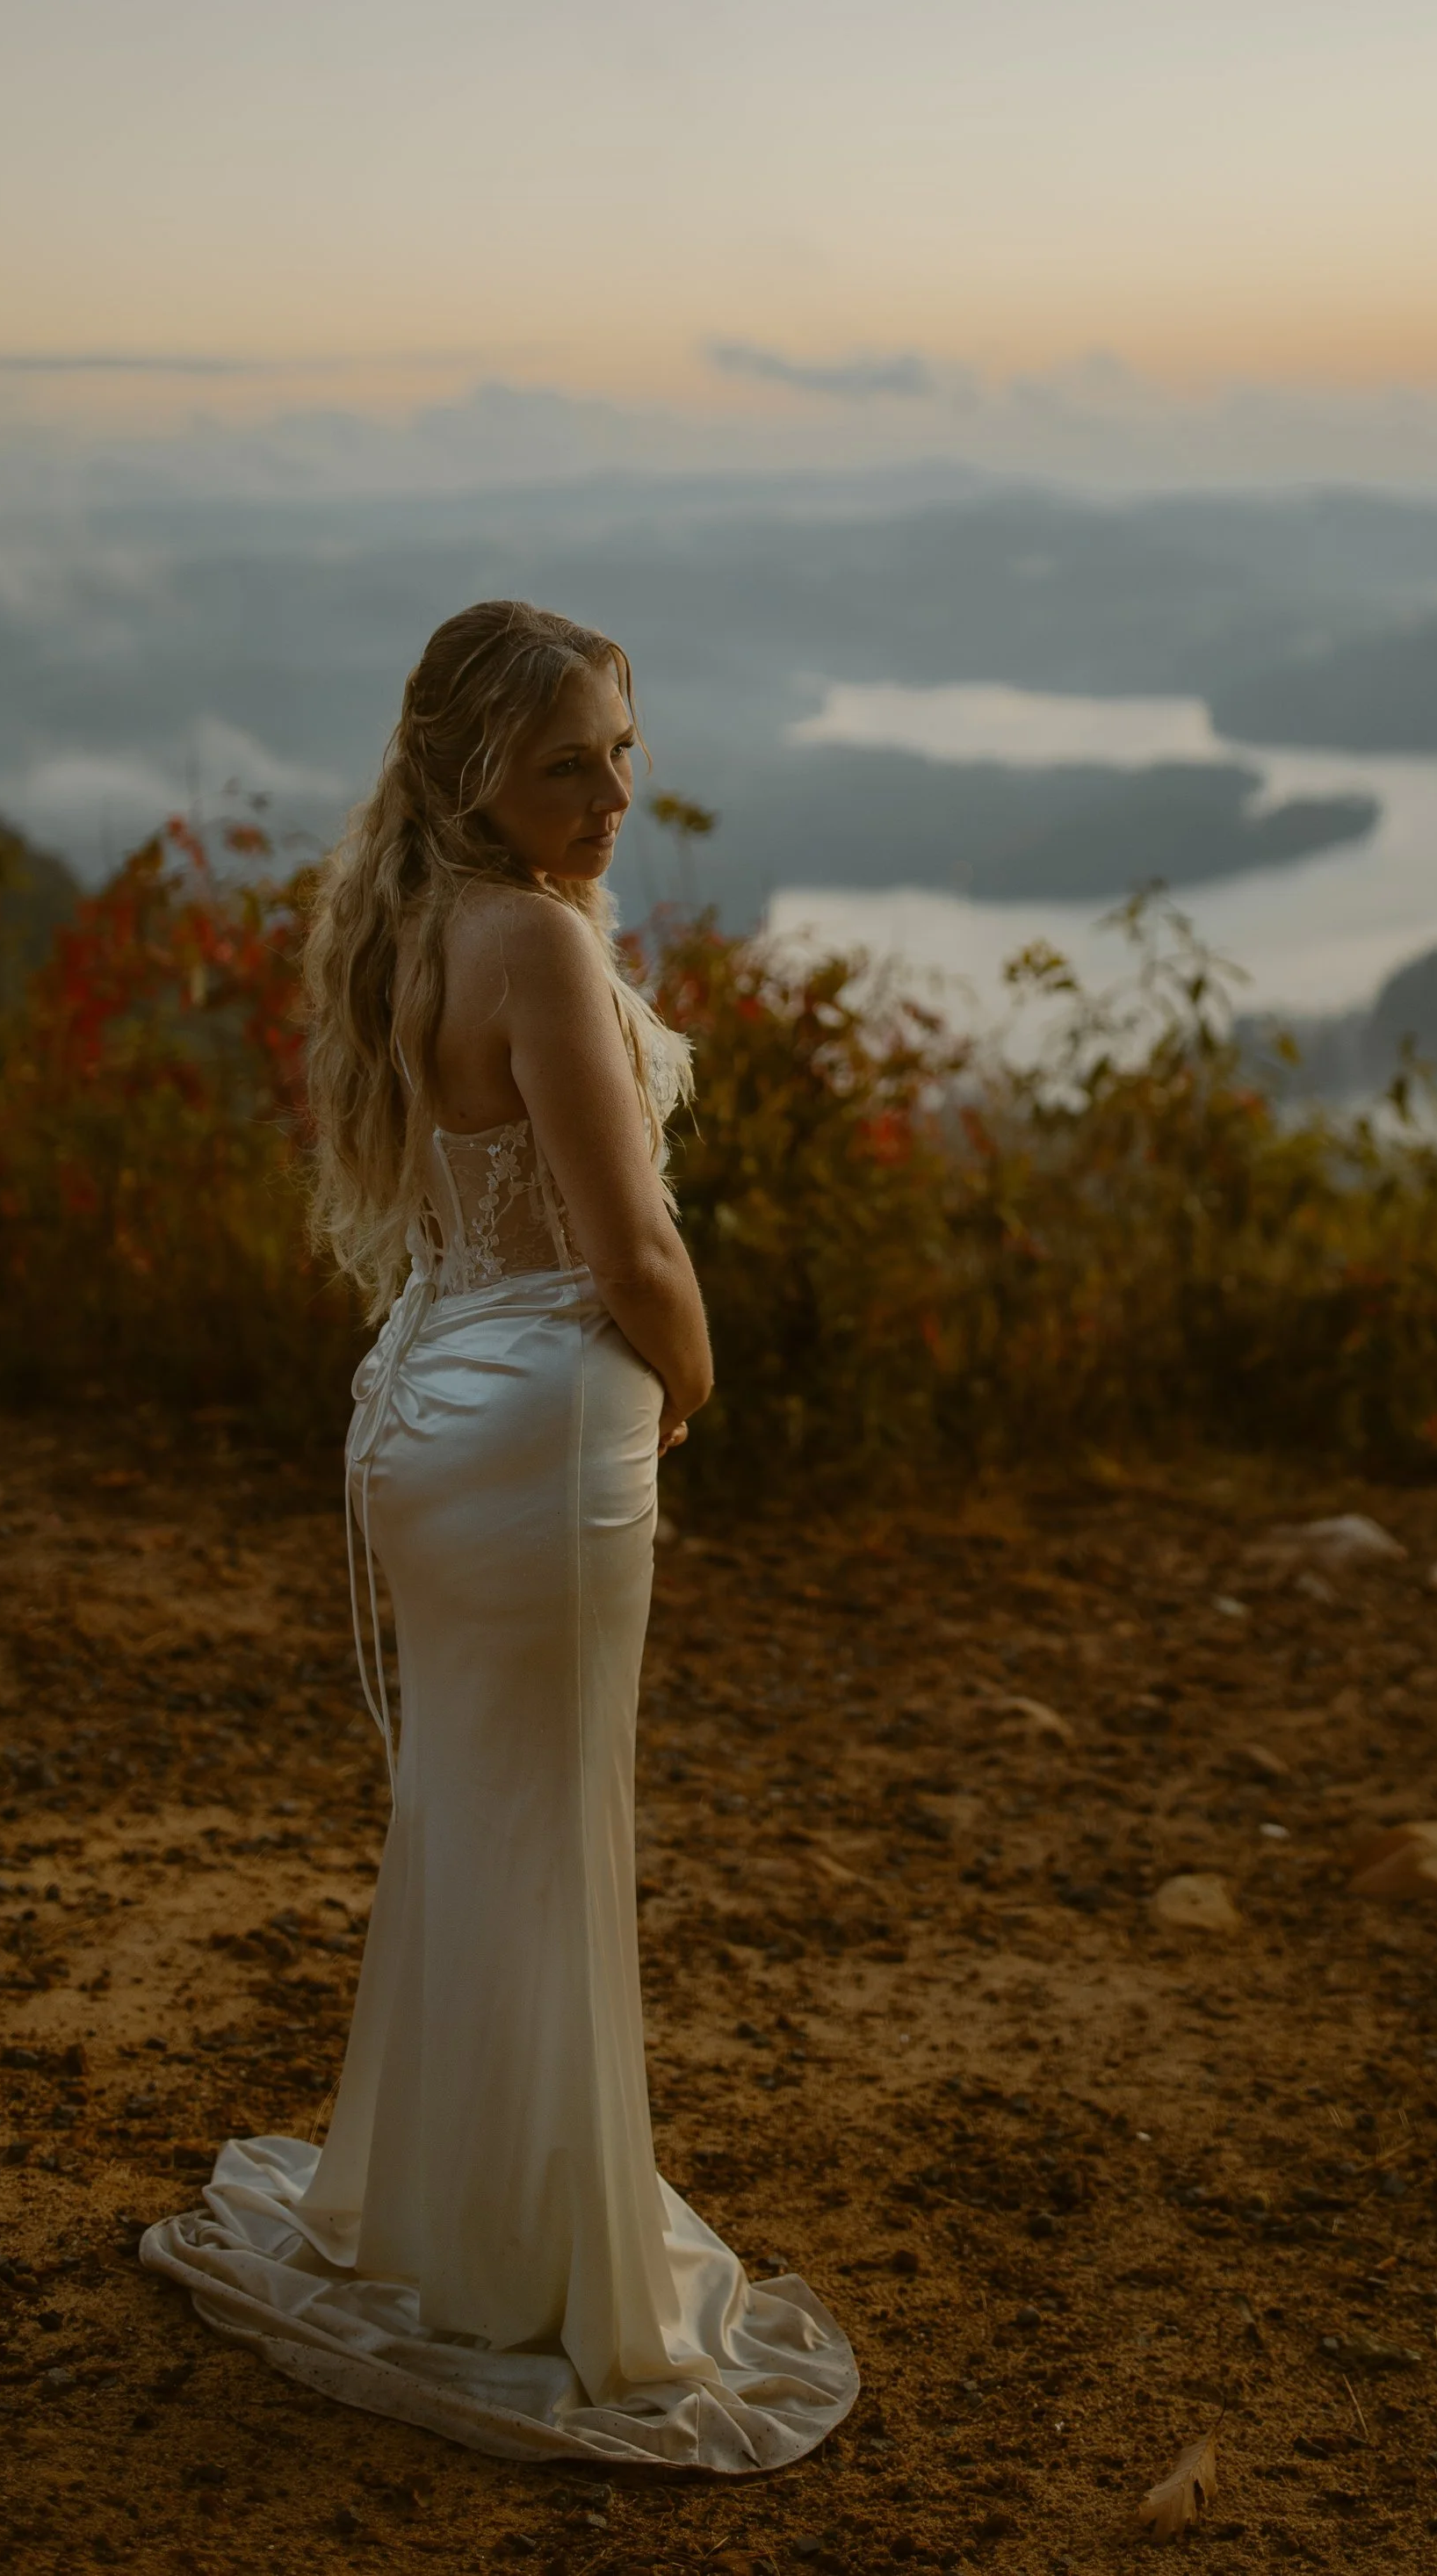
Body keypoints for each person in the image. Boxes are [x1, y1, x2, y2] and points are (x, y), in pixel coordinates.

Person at [140, 601, 856, 2470]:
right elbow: (630, 1252)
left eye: (624, 746)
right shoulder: (532, 937)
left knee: (477, 1821)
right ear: (480, 773)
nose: (617, 787)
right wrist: (687, 1388)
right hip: (538, 1429)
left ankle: (453, 2223)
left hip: (424, 1408)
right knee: (549, 1836)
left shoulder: (412, 917)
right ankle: (543, 2278)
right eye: (571, 761)